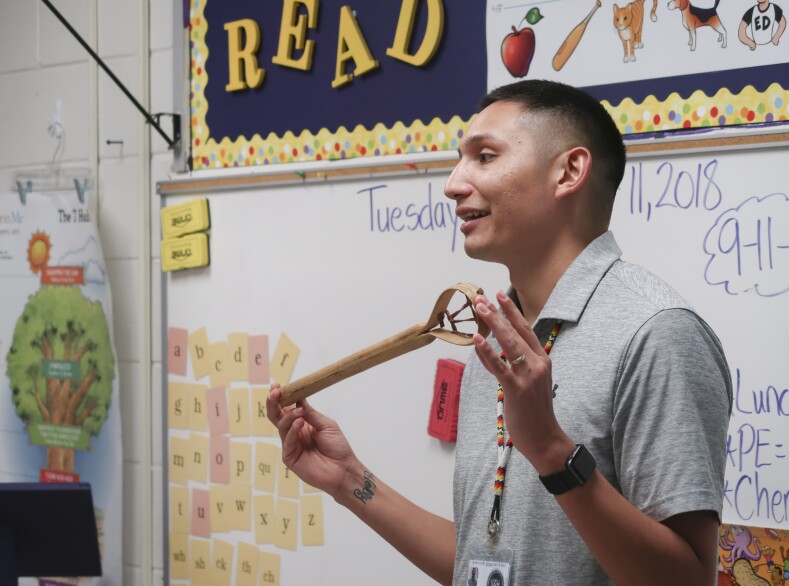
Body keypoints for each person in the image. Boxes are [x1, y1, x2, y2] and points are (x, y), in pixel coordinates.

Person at [267, 79, 732, 585]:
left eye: (484, 157)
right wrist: (349, 480)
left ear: (569, 172)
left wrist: (552, 451)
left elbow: (686, 579)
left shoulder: (656, 334)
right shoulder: (496, 337)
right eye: (460, 160)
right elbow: (483, 563)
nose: (452, 183)